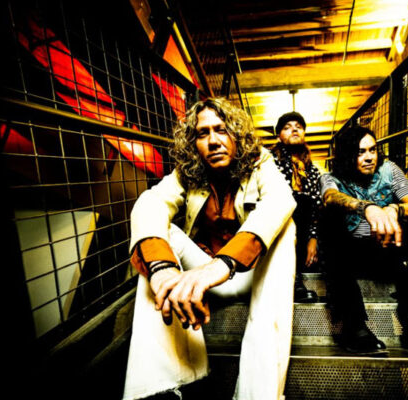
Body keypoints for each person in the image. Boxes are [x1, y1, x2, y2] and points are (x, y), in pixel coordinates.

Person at [123, 98, 297, 400]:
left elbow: (281, 200)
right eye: (203, 133)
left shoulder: (260, 163)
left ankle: (259, 395)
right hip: (204, 277)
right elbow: (150, 203)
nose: (213, 141)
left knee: (286, 227)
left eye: (221, 130)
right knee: (159, 237)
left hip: (248, 275)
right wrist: (162, 270)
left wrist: (222, 264)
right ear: (194, 143)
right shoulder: (188, 172)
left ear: (237, 134)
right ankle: (161, 387)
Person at [320, 126, 408, 355]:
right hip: (353, 255)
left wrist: (394, 209)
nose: (369, 157)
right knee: (327, 218)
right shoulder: (330, 178)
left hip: (390, 249)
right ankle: (353, 323)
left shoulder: (389, 170)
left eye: (372, 150)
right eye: (360, 152)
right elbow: (330, 198)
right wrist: (366, 208)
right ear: (346, 155)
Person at [272, 111, 322, 303]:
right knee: (296, 201)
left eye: (298, 127)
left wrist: (313, 239)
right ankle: (293, 280)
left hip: (302, 229)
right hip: (277, 223)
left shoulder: (312, 170)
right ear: (279, 136)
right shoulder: (270, 162)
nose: (294, 130)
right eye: (287, 127)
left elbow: (317, 206)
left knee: (310, 203)